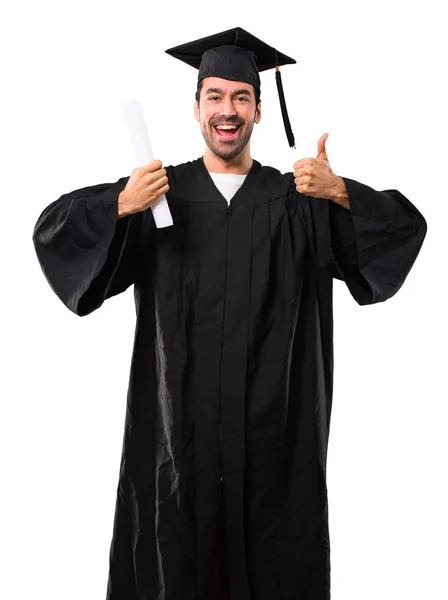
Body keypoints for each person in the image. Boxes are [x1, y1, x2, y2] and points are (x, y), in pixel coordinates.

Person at [32, 26, 427, 600]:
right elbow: (53, 231)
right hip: (178, 448)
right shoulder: (157, 194)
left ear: (259, 112)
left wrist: (340, 190)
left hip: (276, 450)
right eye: (214, 96)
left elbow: (402, 233)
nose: (227, 109)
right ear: (196, 109)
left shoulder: (298, 200)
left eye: (241, 97)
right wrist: (122, 203)